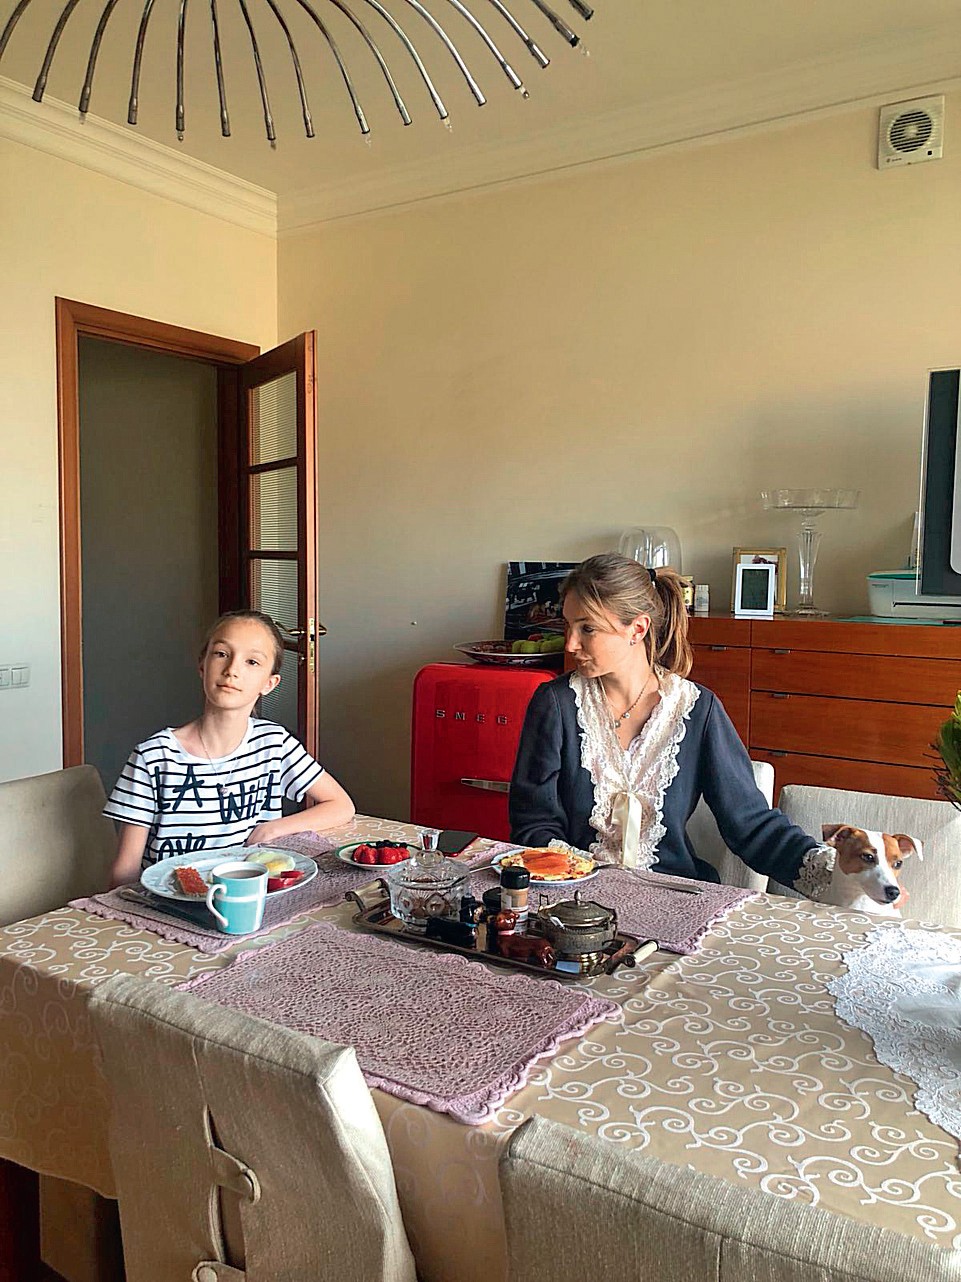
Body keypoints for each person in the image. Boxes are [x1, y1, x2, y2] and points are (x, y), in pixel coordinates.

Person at [509, 554, 830, 895]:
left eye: (587, 628)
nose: (571, 643)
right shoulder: (555, 704)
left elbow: (751, 825)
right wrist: (584, 879)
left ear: (638, 629)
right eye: (568, 625)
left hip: (675, 896)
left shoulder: (698, 710)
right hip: (576, 900)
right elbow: (533, 823)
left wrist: (829, 870)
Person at [106, 609, 355, 887]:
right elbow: (124, 872)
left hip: (251, 894)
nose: (232, 670)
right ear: (202, 666)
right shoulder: (153, 757)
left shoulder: (274, 743)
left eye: (252, 661)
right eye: (221, 654)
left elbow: (341, 806)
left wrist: (273, 829)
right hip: (172, 900)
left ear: (269, 683)